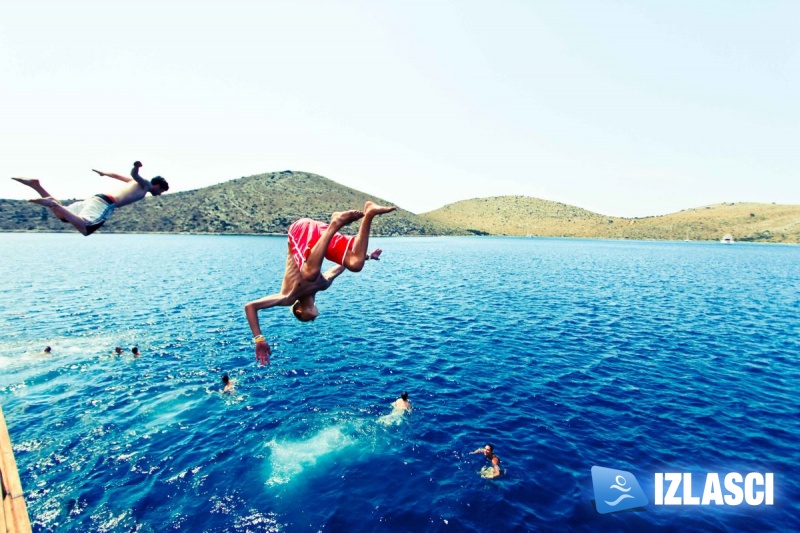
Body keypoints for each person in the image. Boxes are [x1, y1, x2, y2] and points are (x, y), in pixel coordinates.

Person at [244, 201, 396, 365]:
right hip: (320, 238)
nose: (312, 320)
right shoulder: (323, 284)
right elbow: (339, 268)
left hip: (300, 230)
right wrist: (368, 257)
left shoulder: (287, 296)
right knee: (355, 264)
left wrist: (259, 340)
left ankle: (336, 222)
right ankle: (370, 213)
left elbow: (250, 307)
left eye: (306, 320)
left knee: (309, 273)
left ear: (299, 310)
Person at [12, 161, 169, 236]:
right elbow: (134, 174)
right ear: (157, 186)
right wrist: (137, 167)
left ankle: (36, 186)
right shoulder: (146, 185)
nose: (160, 194)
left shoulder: (132, 184)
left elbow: (115, 175)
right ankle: (52, 203)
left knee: (63, 216)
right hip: (105, 203)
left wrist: (103, 173)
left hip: (94, 199)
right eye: (161, 191)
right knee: (86, 229)